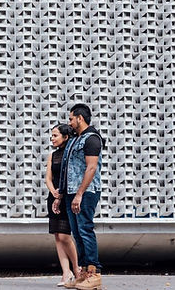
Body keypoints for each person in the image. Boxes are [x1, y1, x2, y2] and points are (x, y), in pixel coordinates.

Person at [53, 103, 104, 290]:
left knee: (85, 230)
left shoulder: (92, 139)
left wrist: (80, 194)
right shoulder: (75, 139)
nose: (69, 122)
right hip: (71, 193)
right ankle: (82, 274)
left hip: (86, 192)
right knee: (77, 232)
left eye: (71, 118)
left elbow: (91, 168)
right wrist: (61, 195)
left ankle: (93, 273)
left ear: (80, 118)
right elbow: (67, 169)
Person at [46, 123, 79, 287]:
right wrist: (54, 193)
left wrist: (61, 194)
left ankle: (77, 269)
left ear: (65, 137)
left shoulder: (73, 154)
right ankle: (66, 273)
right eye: (51, 135)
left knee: (65, 235)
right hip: (53, 197)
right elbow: (48, 178)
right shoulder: (52, 155)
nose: (52, 139)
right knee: (58, 236)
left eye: (55, 135)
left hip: (67, 197)